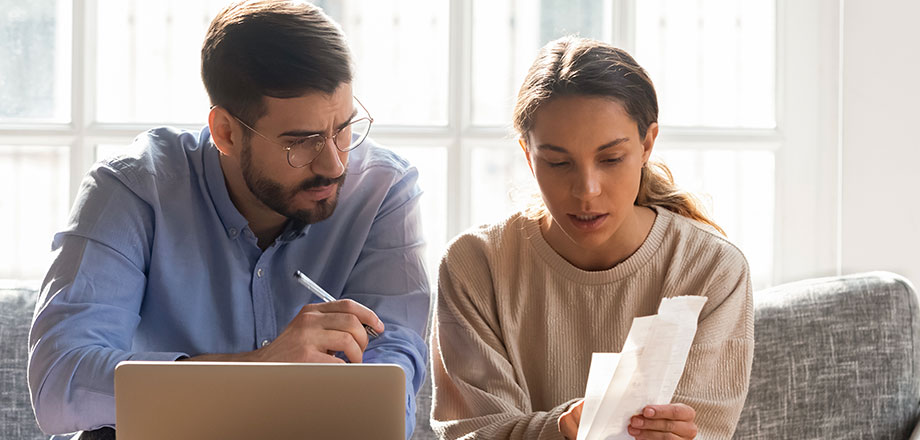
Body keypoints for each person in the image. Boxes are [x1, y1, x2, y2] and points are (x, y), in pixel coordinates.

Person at [28, 2, 429, 439]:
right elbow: (59, 381)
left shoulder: (383, 190)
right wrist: (261, 368)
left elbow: (392, 371)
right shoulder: (134, 189)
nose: (334, 163)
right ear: (226, 133)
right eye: (302, 141)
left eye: (344, 129)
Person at [430, 36, 754, 440]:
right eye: (558, 162)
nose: (586, 190)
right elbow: (471, 432)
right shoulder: (475, 266)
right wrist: (562, 430)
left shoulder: (712, 270)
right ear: (529, 157)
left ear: (647, 144)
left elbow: (704, 430)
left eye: (611, 159)